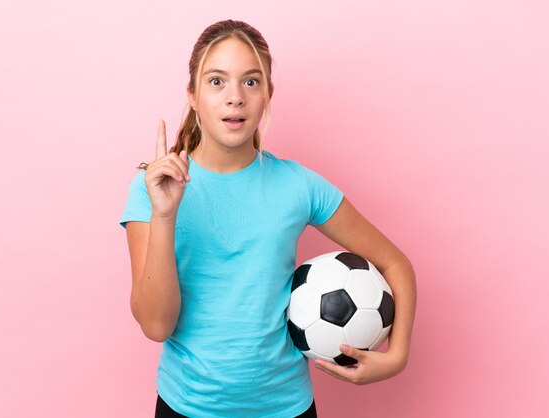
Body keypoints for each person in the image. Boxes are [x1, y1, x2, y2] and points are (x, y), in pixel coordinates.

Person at [119, 19, 417, 418]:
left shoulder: (299, 185)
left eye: (251, 82)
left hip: (286, 408)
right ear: (192, 94)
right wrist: (165, 214)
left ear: (267, 95)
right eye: (216, 81)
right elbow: (157, 325)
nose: (235, 98)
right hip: (186, 407)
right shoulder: (151, 189)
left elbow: (396, 263)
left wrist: (396, 357)